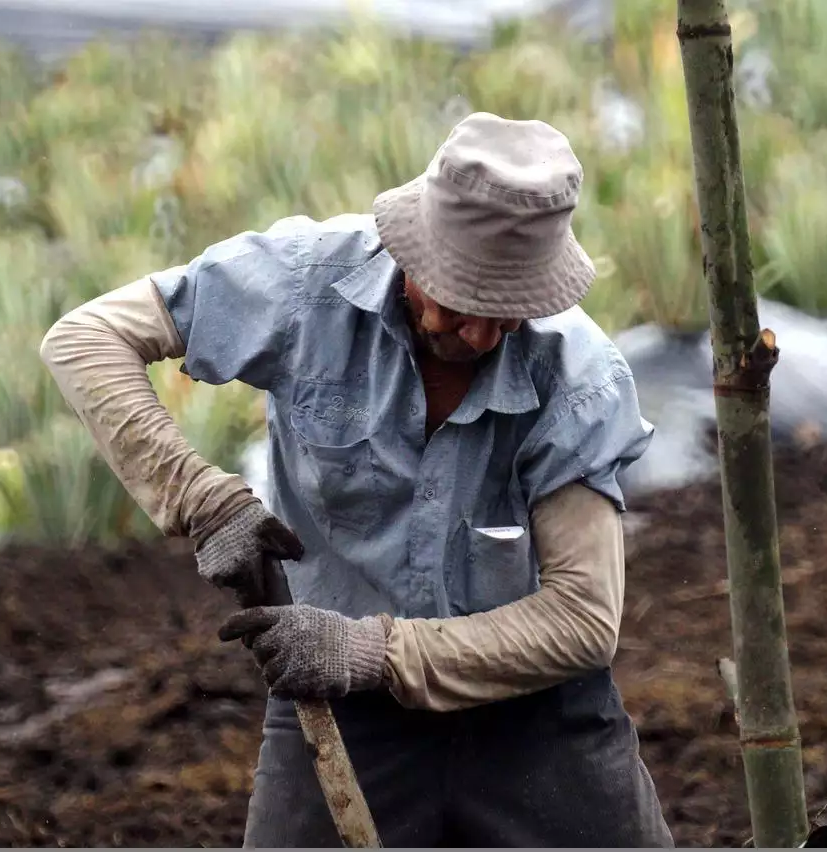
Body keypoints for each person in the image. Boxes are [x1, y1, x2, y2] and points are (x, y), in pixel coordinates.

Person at [40, 111, 674, 847]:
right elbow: (86, 339)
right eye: (463, 302)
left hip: (534, 715)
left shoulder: (577, 379)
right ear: (414, 254)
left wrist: (375, 652)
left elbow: (580, 621)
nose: (480, 335)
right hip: (338, 709)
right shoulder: (304, 288)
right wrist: (200, 498)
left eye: (508, 313)